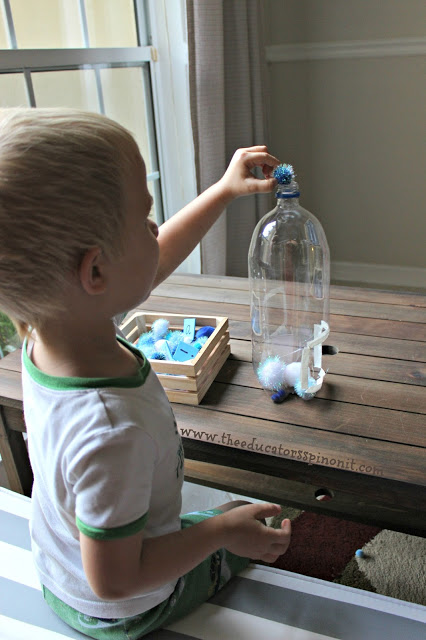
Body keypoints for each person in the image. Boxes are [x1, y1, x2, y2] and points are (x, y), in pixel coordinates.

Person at [0, 108, 291, 638]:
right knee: (240, 523)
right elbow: (117, 579)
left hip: (60, 566)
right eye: (143, 218)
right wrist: (221, 533)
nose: (155, 228)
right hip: (121, 604)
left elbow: (147, 263)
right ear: (95, 271)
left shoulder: (52, 329)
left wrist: (223, 191)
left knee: (214, 520)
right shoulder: (112, 430)